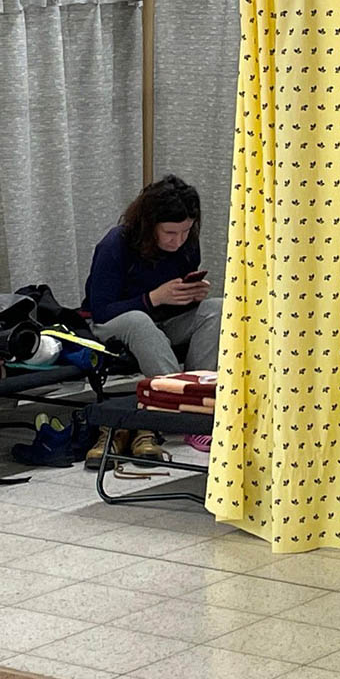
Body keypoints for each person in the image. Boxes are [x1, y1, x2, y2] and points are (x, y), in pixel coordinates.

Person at [82, 175, 221, 468]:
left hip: (164, 319)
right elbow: (101, 310)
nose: (178, 240)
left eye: (185, 231)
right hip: (115, 322)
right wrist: (153, 298)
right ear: (150, 225)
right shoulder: (116, 244)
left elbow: (174, 300)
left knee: (217, 309)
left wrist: (191, 294)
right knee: (139, 321)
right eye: (170, 232)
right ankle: (180, 409)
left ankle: (198, 398)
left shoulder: (186, 244)